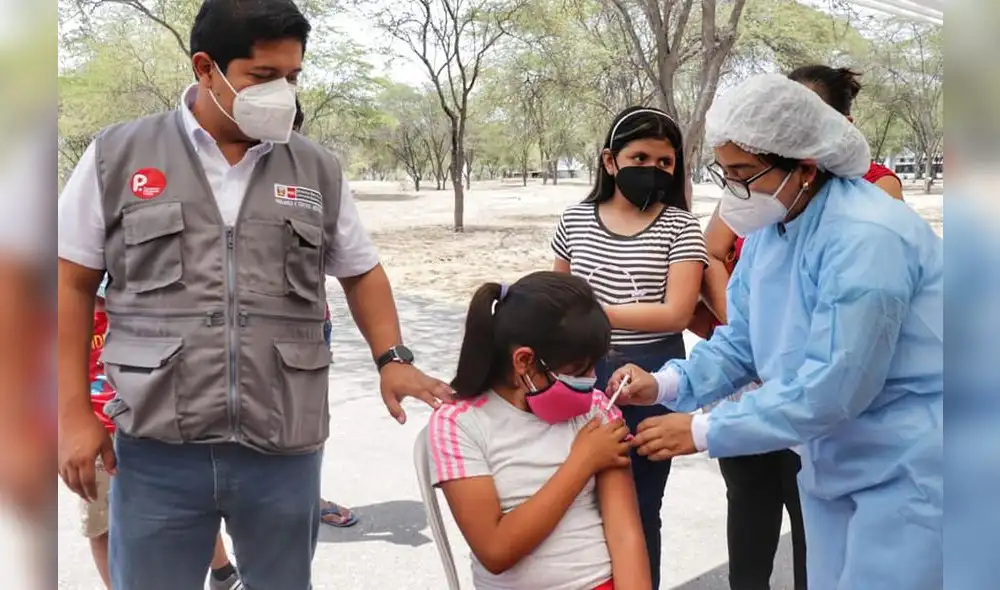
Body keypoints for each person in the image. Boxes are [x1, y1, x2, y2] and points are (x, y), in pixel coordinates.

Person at [56, 2, 453, 588]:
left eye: (292, 77)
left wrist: (391, 358)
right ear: (205, 68)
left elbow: (362, 271)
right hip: (158, 447)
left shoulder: (316, 168)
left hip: (282, 449)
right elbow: (69, 281)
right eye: (263, 78)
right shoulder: (118, 156)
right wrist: (70, 412)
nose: (283, 94)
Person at [609, 73, 943, 590]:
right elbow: (743, 340)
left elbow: (835, 385)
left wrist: (704, 430)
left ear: (804, 166)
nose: (733, 190)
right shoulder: (773, 230)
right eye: (724, 172)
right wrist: (668, 385)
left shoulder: (868, 237)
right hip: (831, 459)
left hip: (911, 468)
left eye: (743, 173)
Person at [551, 106, 707, 588]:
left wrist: (592, 313)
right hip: (579, 377)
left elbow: (676, 313)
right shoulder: (574, 221)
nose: (654, 170)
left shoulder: (680, 227)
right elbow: (558, 303)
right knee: (575, 497)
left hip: (653, 380)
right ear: (610, 161)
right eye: (640, 156)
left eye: (665, 162)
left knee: (640, 505)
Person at [429, 271, 650, 590]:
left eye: (594, 368)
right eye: (577, 370)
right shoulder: (458, 423)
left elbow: (625, 535)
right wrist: (583, 462)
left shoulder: (596, 410)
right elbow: (495, 551)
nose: (591, 381)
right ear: (524, 361)